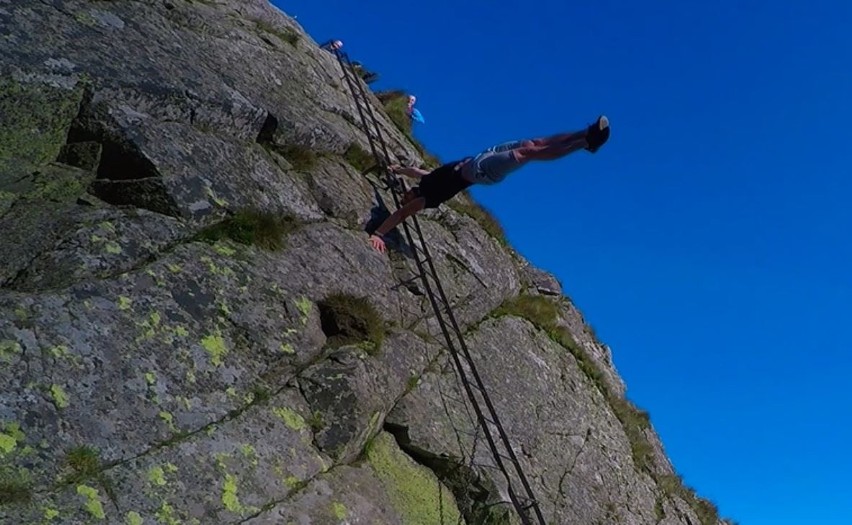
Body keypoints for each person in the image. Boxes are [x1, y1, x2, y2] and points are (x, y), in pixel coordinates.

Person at [367, 116, 611, 253]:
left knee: (533, 141)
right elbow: (400, 215)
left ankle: (585, 136)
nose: (406, 194)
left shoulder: (426, 180)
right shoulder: (424, 200)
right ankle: (583, 144)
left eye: (404, 193)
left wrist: (394, 168)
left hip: (478, 158)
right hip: (480, 173)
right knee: (528, 152)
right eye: (405, 196)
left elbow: (414, 171)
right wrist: (379, 234)